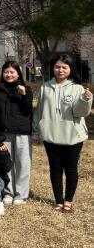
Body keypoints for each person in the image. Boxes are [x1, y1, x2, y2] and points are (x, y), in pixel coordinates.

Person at [33, 54, 92, 213]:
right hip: (51, 135)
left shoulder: (77, 88)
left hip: (73, 136)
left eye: (64, 67)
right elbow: (39, 111)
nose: (60, 70)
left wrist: (85, 100)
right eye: (57, 67)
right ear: (53, 68)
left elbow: (80, 113)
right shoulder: (45, 87)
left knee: (71, 169)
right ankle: (58, 200)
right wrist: (36, 131)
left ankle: (68, 201)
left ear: (70, 69)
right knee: (55, 168)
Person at [0, 61, 34, 205]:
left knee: (22, 163)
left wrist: (24, 94)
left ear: (18, 74)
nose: (9, 75)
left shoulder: (26, 89)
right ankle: (8, 192)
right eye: (6, 72)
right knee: (6, 163)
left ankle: (21, 194)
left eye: (12, 72)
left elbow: (28, 110)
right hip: (3, 132)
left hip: (22, 132)